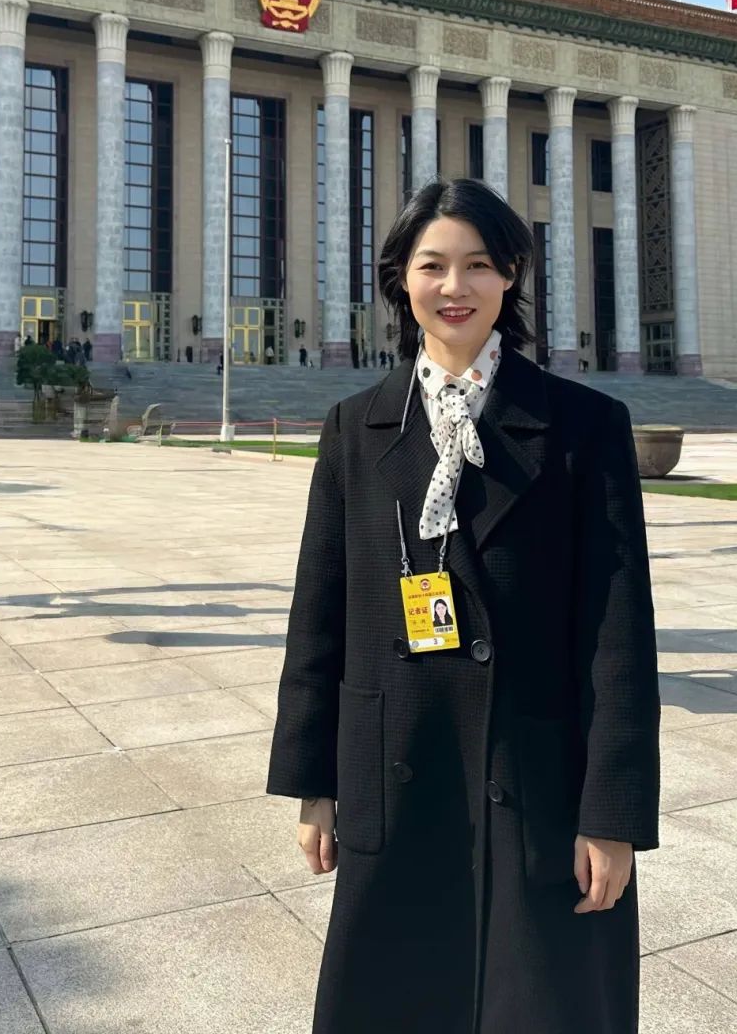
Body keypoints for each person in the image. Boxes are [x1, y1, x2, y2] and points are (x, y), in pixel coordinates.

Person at [266, 177, 660, 1034]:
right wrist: (313, 783)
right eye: (432, 265)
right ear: (400, 280)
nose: (456, 287)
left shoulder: (585, 426)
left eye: (479, 265)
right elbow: (318, 616)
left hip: (538, 778)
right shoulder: (356, 427)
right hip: (400, 766)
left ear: (511, 275)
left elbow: (619, 635)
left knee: (541, 1002)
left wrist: (613, 814)